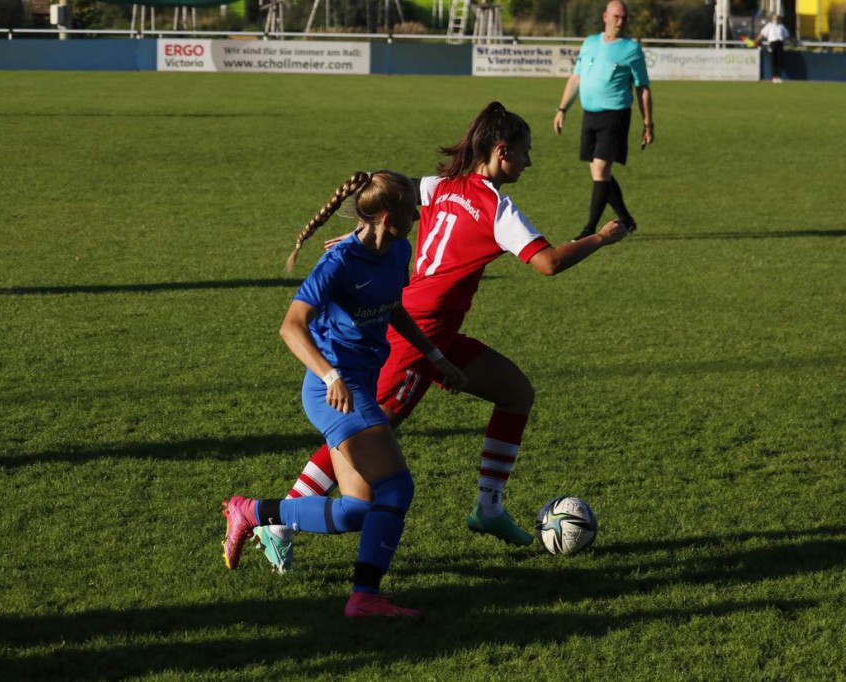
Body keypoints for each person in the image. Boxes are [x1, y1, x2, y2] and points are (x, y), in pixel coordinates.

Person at [254, 101, 632, 574]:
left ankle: (488, 507)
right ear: (501, 152)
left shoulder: (438, 185)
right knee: (367, 433)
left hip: (436, 333)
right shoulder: (497, 210)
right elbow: (548, 263)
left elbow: (386, 194)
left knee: (516, 393)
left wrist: (360, 233)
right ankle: (279, 521)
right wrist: (601, 238)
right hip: (414, 333)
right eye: (525, 152)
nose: (529, 162)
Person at [221, 170, 467, 618]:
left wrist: (435, 356)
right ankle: (364, 597)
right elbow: (291, 327)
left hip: (359, 386)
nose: (418, 216)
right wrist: (331, 375)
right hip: (334, 391)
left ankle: (251, 512)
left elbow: (392, 307)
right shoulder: (337, 263)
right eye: (412, 210)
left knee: (357, 510)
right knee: (396, 487)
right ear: (388, 217)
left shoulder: (399, 250)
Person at [553, 0, 652, 243]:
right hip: (590, 115)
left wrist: (648, 123)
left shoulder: (631, 49)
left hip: (615, 115)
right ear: (605, 16)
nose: (621, 22)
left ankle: (589, 230)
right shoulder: (589, 43)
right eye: (617, 16)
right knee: (599, 173)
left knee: (600, 170)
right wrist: (562, 108)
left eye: (625, 18)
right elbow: (576, 78)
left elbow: (642, 89)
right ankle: (626, 219)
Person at [752, 14, 790, 84]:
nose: (776, 20)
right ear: (772, 19)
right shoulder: (769, 26)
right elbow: (762, 34)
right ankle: (774, 77)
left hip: (779, 43)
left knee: (779, 60)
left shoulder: (781, 26)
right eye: (775, 19)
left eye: (777, 19)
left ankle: (778, 76)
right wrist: (756, 41)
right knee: (774, 60)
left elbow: (786, 35)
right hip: (773, 43)